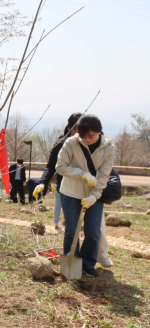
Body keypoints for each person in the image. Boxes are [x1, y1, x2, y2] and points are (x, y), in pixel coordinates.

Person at [56, 114, 115, 278]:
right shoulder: (71, 142)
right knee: (72, 231)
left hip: (93, 195)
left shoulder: (109, 147)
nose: (87, 139)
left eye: (91, 136)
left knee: (94, 232)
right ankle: (71, 264)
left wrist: (95, 196)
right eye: (83, 136)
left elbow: (104, 176)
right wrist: (81, 173)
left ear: (99, 132)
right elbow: (60, 167)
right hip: (70, 192)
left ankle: (88, 264)